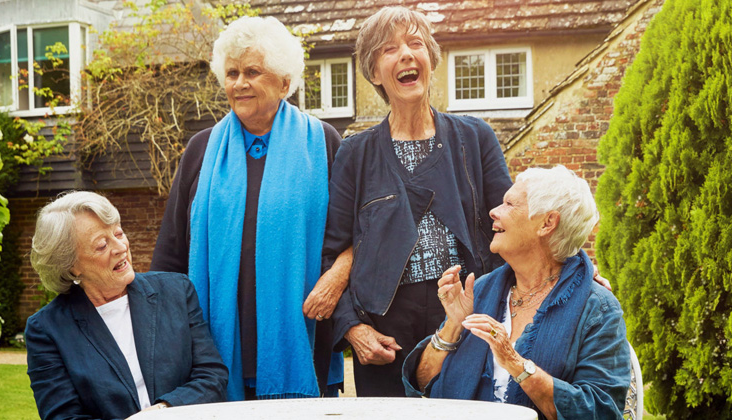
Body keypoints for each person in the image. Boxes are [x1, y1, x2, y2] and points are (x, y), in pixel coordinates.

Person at [150, 16, 346, 400]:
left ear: (285, 82)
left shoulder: (323, 142)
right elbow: (171, 251)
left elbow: (351, 237)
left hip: (304, 337)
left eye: (253, 72)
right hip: (215, 343)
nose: (239, 83)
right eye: (232, 72)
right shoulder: (201, 149)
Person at [322, 6, 514, 397]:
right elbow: (331, 254)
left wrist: (569, 266)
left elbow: (513, 224)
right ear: (374, 73)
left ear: (431, 59)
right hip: (386, 332)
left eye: (416, 44)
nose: (407, 55)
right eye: (390, 49)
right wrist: (353, 329)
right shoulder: (355, 154)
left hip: (467, 313)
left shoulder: (475, 138)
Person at [403, 165, 631, 419]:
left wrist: (514, 362)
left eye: (509, 204)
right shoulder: (478, 291)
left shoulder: (597, 308)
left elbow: (601, 411)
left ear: (547, 223)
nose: (493, 211)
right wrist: (453, 326)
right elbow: (423, 384)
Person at [25, 191, 228, 420]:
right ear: (72, 267)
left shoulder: (176, 291)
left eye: (119, 233)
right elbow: (62, 416)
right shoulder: (47, 329)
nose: (121, 247)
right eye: (102, 245)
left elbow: (212, 376)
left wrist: (163, 411)